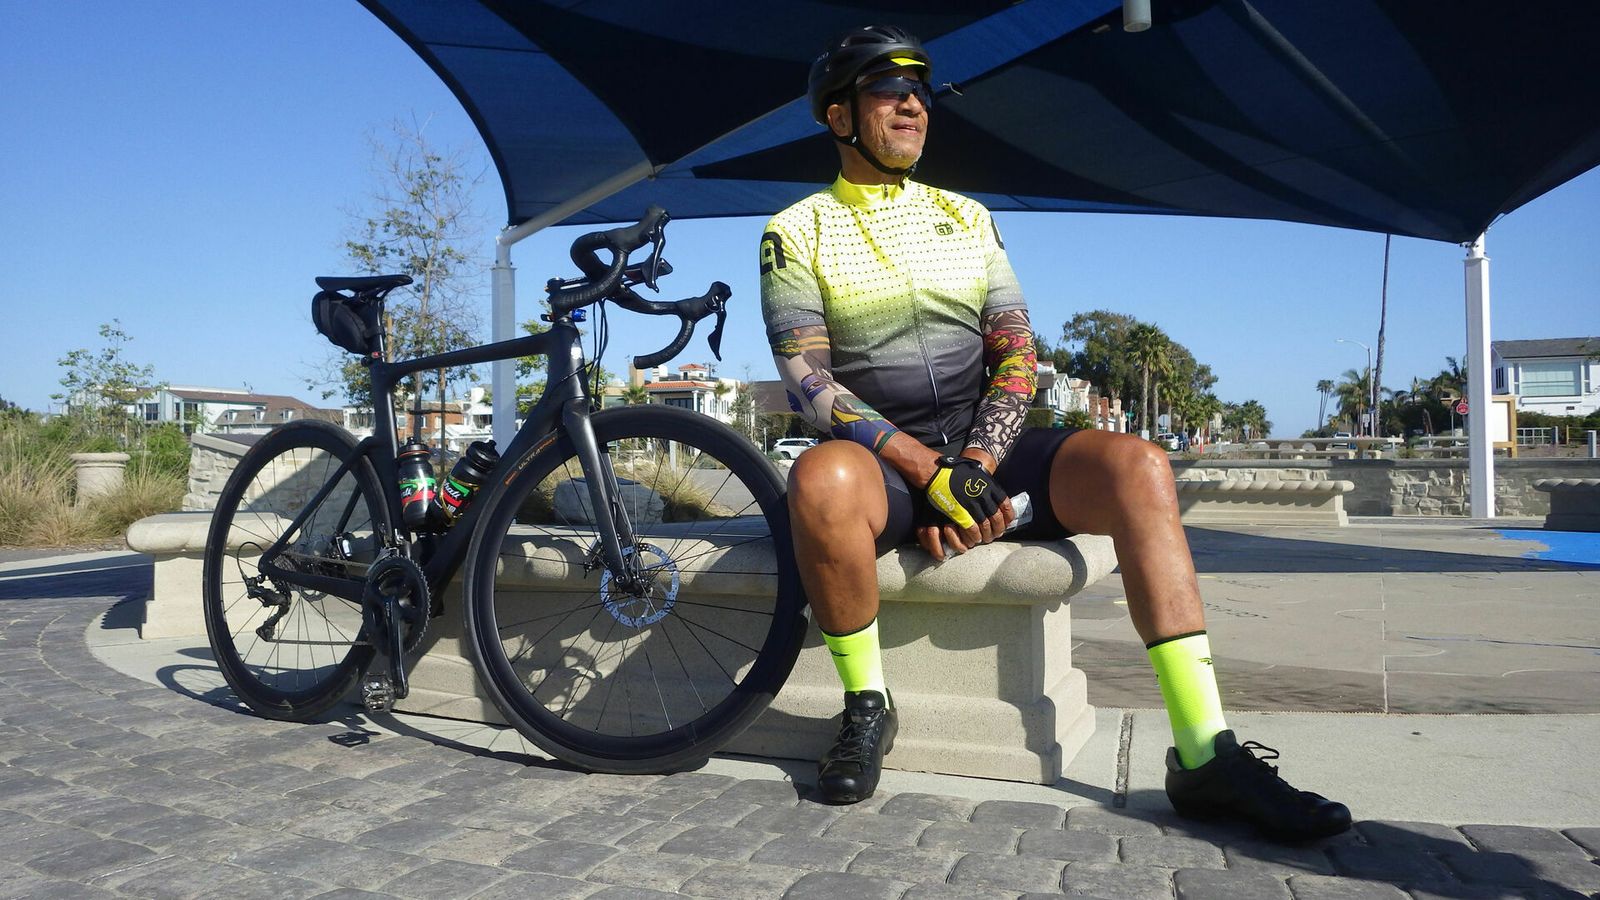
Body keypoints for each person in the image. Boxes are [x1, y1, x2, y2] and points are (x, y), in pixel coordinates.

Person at [757, 24, 1351, 842]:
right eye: (888, 90)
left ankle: (1204, 751)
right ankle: (867, 706)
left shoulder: (967, 218)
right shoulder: (796, 229)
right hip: (884, 467)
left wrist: (973, 467)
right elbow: (809, 379)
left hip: (984, 451)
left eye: (919, 91)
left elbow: (1017, 352)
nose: (912, 104)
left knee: (1140, 466)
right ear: (838, 117)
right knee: (818, 478)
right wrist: (925, 469)